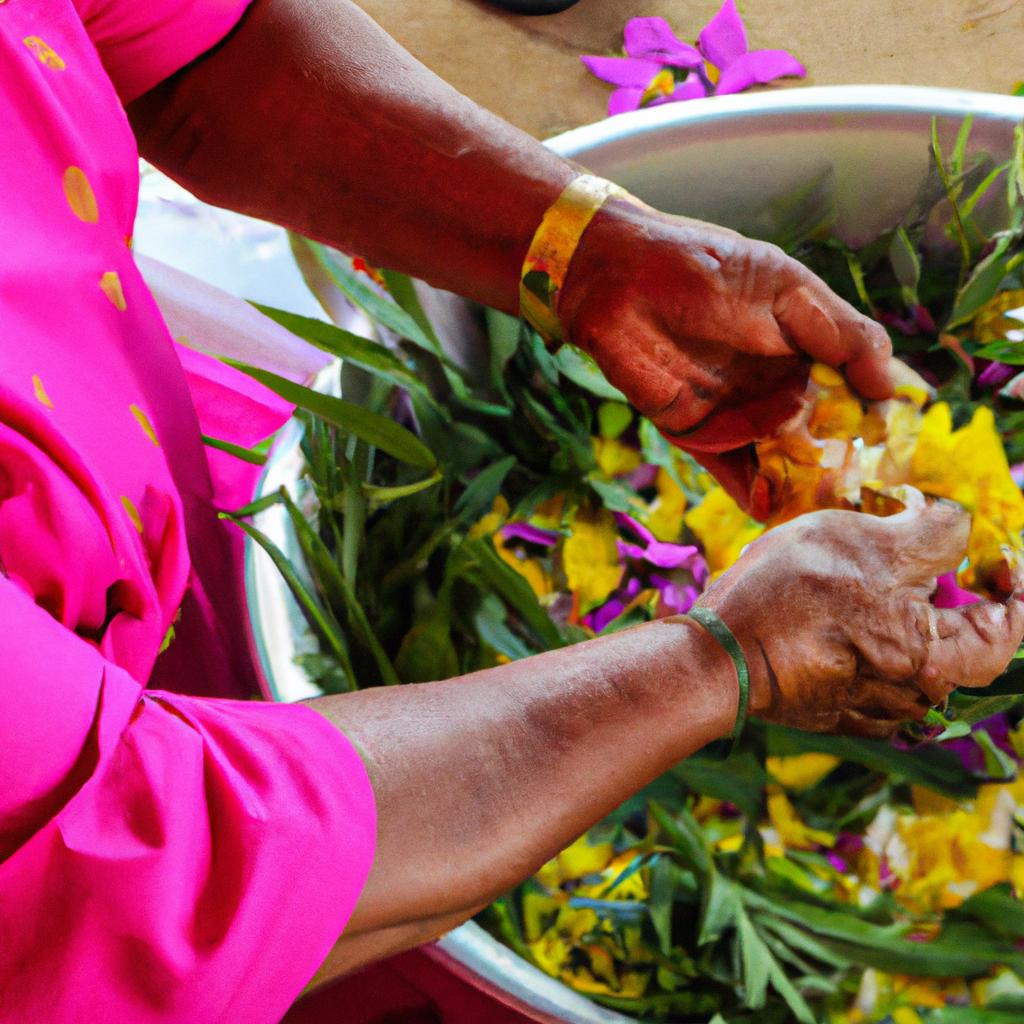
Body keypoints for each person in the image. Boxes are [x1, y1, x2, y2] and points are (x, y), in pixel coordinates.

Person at [1, 2, 1020, 1021]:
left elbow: (190, 39)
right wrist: (724, 660)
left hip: (117, 487)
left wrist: (587, 252)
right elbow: (148, 878)